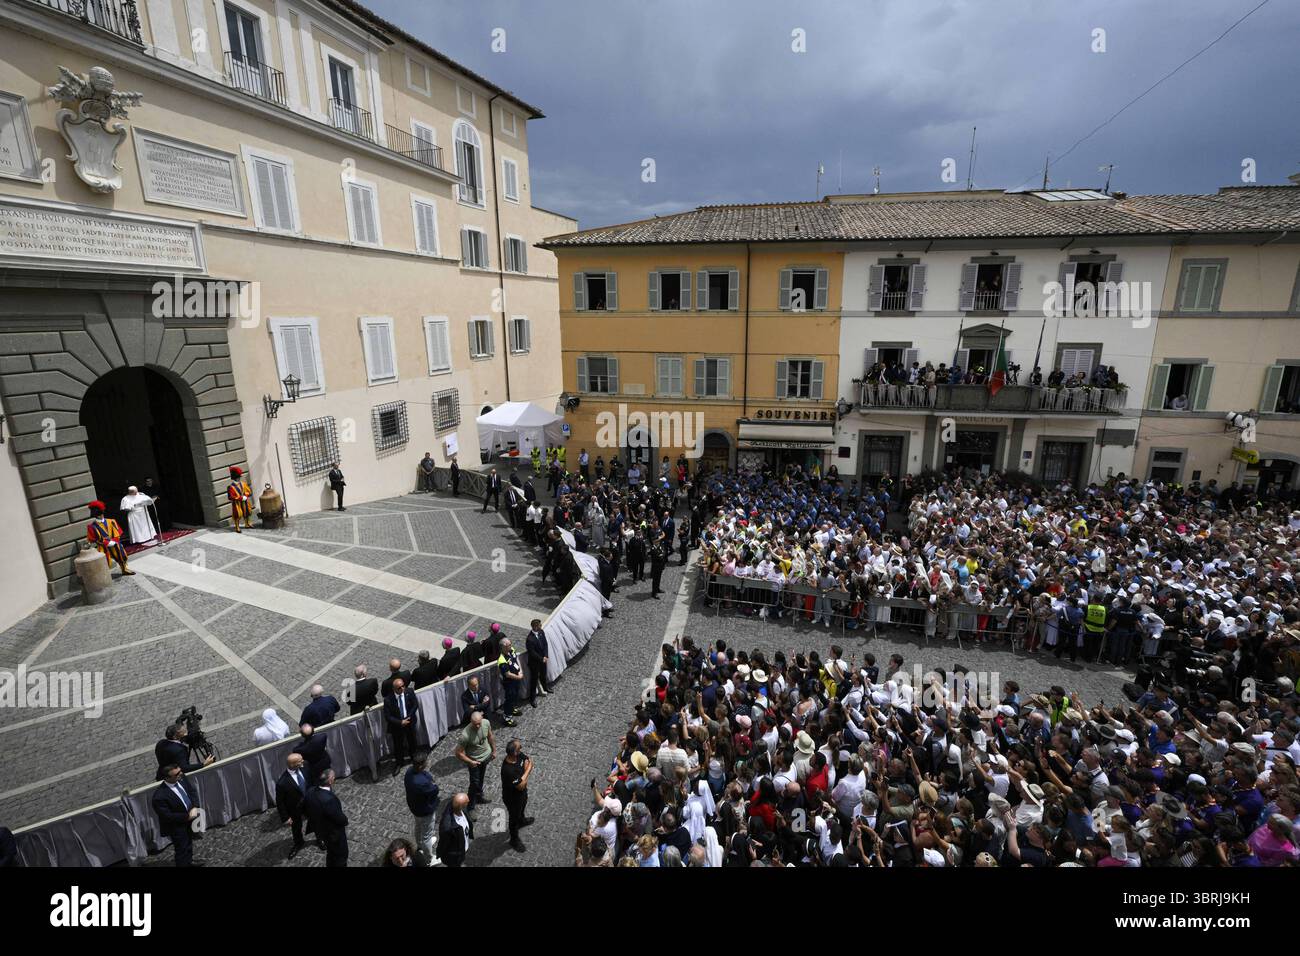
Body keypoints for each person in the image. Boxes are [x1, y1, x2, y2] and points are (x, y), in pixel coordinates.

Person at [151, 764, 200, 867]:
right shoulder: (159, 796)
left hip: (190, 820)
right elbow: (167, 816)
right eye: (177, 774)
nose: (181, 774)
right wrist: (187, 817)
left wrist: (195, 806)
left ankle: (189, 861)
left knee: (189, 843)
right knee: (182, 848)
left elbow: (192, 792)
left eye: (180, 771)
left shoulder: (182, 778)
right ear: (167, 778)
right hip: (177, 827)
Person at [303, 769, 349, 867]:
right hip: (333, 834)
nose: (334, 778)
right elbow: (339, 818)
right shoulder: (329, 800)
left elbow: (303, 807)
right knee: (340, 856)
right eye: (333, 777)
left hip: (321, 831)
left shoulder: (310, 791)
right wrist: (345, 821)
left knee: (331, 854)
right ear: (330, 781)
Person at [404, 749, 441, 866]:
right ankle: (429, 859)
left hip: (415, 808)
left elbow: (427, 778)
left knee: (418, 827)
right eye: (426, 761)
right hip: (425, 810)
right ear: (421, 766)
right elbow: (434, 790)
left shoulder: (409, 772)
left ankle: (420, 845)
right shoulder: (422, 783)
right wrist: (434, 784)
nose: (428, 762)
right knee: (427, 835)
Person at [455, 710, 495, 809]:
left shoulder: (486, 723)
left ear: (482, 719)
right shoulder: (465, 735)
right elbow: (458, 753)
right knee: (474, 784)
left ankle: (479, 796)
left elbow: (490, 736)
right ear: (471, 721)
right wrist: (471, 762)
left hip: (485, 757)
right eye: (475, 724)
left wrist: (494, 750)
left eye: (479, 723)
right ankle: (470, 805)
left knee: (480, 779)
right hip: (474, 762)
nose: (477, 726)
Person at [500, 739, 534, 853]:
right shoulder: (508, 770)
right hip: (512, 798)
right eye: (519, 748)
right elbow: (520, 785)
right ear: (514, 752)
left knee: (523, 805)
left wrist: (523, 777)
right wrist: (527, 770)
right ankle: (514, 839)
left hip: (521, 794)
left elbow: (529, 760)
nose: (522, 749)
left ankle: (522, 820)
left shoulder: (519, 755)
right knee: (513, 818)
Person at [275, 753, 310, 854]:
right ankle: (299, 843)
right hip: (295, 809)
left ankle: (320, 838)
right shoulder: (282, 783)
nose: (303, 761)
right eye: (300, 761)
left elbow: (310, 781)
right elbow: (280, 802)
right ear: (293, 765)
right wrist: (285, 817)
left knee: (315, 821)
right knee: (296, 828)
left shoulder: (305, 766)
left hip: (309, 803)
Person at [86, 500, 132, 576]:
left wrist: (114, 541)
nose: (100, 516)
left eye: (101, 514)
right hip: (103, 546)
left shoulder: (111, 521)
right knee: (104, 561)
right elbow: (93, 539)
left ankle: (124, 569)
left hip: (114, 543)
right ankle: (104, 575)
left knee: (122, 556)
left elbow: (117, 533)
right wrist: (106, 543)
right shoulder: (91, 527)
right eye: (98, 515)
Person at [384, 676, 420, 768]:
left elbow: (415, 705)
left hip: (409, 722)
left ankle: (414, 758)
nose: (402, 689)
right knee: (398, 745)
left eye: (403, 686)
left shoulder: (409, 691)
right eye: (399, 688)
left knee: (412, 741)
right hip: (397, 726)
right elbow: (388, 716)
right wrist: (400, 722)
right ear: (394, 689)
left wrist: (408, 717)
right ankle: (399, 763)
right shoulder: (388, 699)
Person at [438, 793, 474, 867]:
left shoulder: (460, 809)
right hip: (455, 856)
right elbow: (443, 843)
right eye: (466, 803)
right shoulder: (447, 827)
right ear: (461, 806)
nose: (468, 802)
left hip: (462, 847)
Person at [497, 637, 525, 727]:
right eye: (509, 645)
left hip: (516, 679)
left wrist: (520, 671)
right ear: (504, 647)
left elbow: (516, 660)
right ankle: (507, 717)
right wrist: (518, 677)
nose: (511, 646)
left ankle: (513, 709)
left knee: (515, 695)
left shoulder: (511, 650)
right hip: (509, 683)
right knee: (509, 699)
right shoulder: (501, 660)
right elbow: (507, 674)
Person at [525, 618, 551, 706]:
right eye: (540, 625)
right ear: (535, 627)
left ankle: (545, 687)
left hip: (543, 659)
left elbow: (545, 644)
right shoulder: (529, 639)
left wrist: (546, 655)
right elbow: (532, 652)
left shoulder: (541, 632)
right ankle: (532, 699)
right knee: (534, 680)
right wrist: (541, 658)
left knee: (543, 675)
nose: (541, 626)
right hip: (535, 663)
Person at [226, 467, 254, 532]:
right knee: (237, 514)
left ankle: (247, 523)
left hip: (245, 502)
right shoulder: (231, 487)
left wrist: (245, 495)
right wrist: (241, 498)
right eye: (238, 477)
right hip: (237, 503)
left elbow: (248, 491)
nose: (239, 478)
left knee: (247, 512)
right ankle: (237, 527)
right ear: (235, 477)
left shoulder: (243, 484)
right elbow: (231, 497)